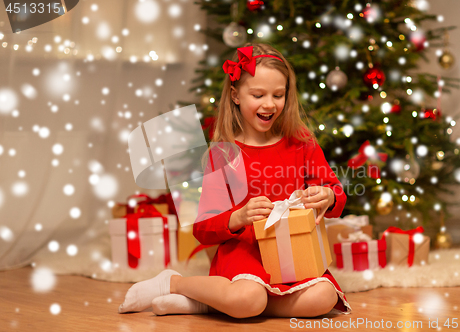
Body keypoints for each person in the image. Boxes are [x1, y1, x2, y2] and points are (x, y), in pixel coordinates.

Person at [118, 43, 351, 318]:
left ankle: (214, 301)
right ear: (235, 95)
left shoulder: (301, 142)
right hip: (244, 254)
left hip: (292, 253)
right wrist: (238, 217)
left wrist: (328, 196)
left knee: (323, 297)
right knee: (249, 296)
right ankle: (175, 283)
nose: (269, 104)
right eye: (258, 94)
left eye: (279, 95)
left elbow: (335, 190)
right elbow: (202, 227)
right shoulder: (222, 153)